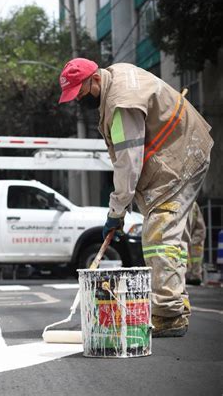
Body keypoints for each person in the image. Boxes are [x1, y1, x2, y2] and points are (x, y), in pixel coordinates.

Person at [58, 58, 213, 337]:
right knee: (169, 235)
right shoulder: (116, 76)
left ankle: (169, 314)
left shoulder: (121, 104)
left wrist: (115, 212)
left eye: (80, 91)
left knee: (158, 236)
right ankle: (176, 301)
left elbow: (128, 163)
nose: (79, 99)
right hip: (180, 151)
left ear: (94, 78)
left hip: (180, 157)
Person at [186, 201, 206, 286]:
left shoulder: (193, 204)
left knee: (195, 258)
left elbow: (200, 227)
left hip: (193, 240)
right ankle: (190, 276)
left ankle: (195, 276)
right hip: (186, 239)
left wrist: (195, 240)